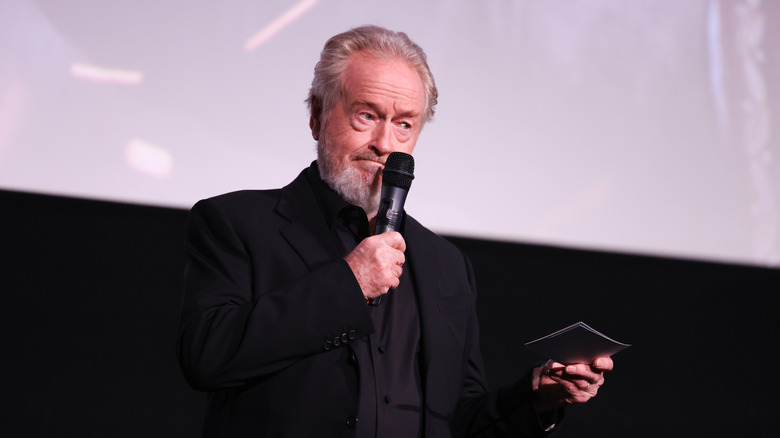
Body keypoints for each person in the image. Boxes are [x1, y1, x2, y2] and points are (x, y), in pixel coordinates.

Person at [177, 25, 613, 437]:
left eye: (404, 124)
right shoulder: (237, 222)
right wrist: (350, 283)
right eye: (366, 115)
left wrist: (537, 397)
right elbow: (208, 357)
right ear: (317, 116)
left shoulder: (446, 265)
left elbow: (459, 420)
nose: (385, 144)